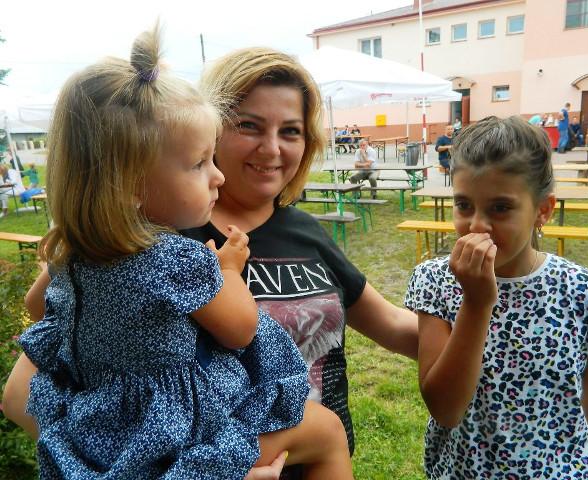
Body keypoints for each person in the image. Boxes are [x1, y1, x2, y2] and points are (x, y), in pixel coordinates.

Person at [4, 46, 418, 480]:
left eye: (291, 130)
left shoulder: (304, 229)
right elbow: (20, 394)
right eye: (249, 125)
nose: (272, 148)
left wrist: (462, 330)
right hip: (202, 455)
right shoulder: (154, 240)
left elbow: (390, 322)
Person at [406, 115, 588, 479]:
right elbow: (445, 410)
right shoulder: (435, 282)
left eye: (500, 208)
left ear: (543, 210)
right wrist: (476, 303)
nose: (477, 225)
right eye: (464, 205)